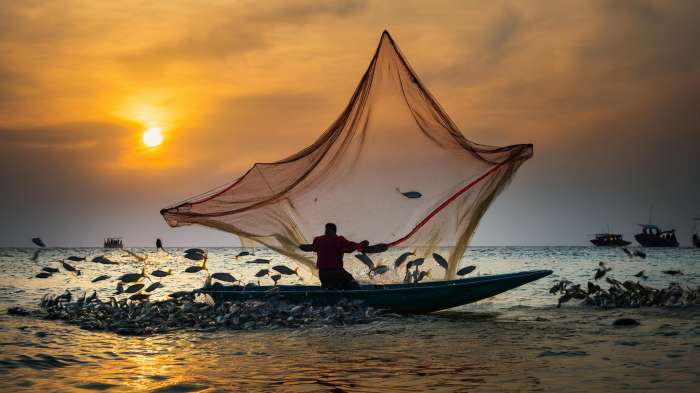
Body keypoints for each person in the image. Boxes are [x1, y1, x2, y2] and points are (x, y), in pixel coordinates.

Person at [299, 223, 387, 289]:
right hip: (337, 272)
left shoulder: (318, 240)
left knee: (328, 288)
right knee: (353, 284)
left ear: (326, 230)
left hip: (323, 274)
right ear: (334, 231)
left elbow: (309, 248)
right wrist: (362, 244)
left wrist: (299, 246)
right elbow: (350, 247)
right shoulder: (338, 239)